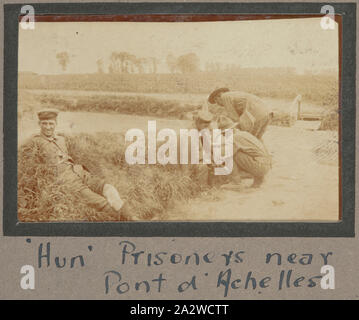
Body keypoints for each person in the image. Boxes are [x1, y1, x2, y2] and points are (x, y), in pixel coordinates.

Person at [23, 108, 134, 220]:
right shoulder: (35, 141)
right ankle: (133, 221)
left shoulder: (61, 139)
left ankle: (134, 218)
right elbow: (29, 165)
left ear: (56, 124)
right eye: (44, 124)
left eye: (51, 123)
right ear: (39, 124)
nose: (47, 127)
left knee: (109, 189)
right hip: (67, 181)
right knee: (101, 202)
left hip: (80, 173)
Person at [217, 115, 272, 188]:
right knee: (248, 152)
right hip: (267, 164)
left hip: (260, 167)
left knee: (231, 155)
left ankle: (235, 182)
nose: (223, 136)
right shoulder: (244, 133)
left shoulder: (234, 137)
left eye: (223, 133)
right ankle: (259, 179)